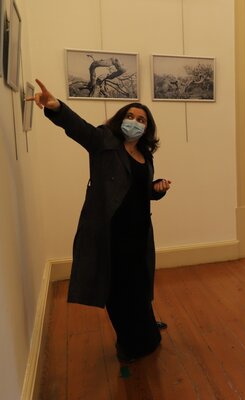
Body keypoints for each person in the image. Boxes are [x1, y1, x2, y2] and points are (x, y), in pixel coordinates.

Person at [30, 79, 172, 362]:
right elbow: (78, 128)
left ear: (147, 128)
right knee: (117, 290)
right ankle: (128, 342)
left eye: (141, 119)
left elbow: (139, 191)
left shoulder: (145, 155)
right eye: (130, 116)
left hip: (139, 233)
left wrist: (157, 189)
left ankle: (146, 331)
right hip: (111, 233)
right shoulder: (104, 141)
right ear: (121, 119)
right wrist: (56, 107)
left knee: (139, 286)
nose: (135, 122)